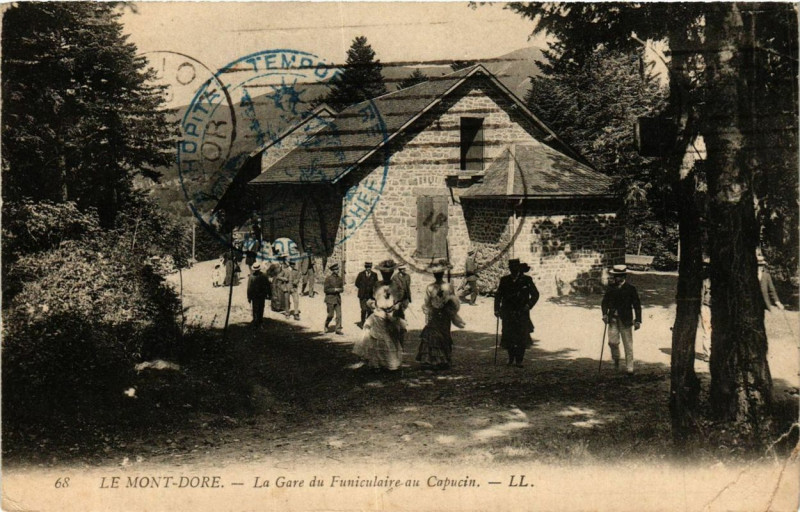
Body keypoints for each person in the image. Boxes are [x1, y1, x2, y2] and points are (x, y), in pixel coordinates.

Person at [353, 259, 407, 371]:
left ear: (392, 273)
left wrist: (396, 307)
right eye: (384, 273)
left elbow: (401, 299)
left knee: (390, 338)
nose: (386, 275)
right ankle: (377, 363)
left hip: (391, 314)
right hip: (378, 314)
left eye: (389, 273)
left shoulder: (396, 285)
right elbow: (371, 298)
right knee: (377, 339)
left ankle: (390, 363)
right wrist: (373, 305)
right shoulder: (377, 285)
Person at [416, 259, 464, 369]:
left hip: (444, 314)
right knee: (433, 334)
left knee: (444, 335)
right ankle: (434, 360)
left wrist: (451, 309)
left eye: (439, 274)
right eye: (435, 274)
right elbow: (427, 302)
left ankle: (444, 359)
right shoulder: (430, 287)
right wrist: (428, 311)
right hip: (434, 314)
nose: (437, 276)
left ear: (442, 274)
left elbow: (453, 300)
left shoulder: (448, 286)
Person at [494, 259, 540, 367]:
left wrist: (529, 305)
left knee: (522, 336)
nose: (513, 270)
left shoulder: (526, 280)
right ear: (509, 269)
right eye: (511, 268)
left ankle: (519, 360)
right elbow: (498, 295)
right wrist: (496, 309)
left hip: (521, 312)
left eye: (515, 268)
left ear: (519, 268)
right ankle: (511, 359)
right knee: (508, 335)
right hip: (507, 312)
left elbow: (535, 294)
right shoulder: (504, 280)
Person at [601, 264, 642, 375]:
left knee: (628, 344)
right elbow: (604, 302)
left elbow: (637, 305)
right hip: (613, 320)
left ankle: (630, 367)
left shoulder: (631, 289)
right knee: (612, 342)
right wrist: (604, 314)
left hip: (626, 320)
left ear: (624, 276)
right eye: (615, 276)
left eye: (618, 276)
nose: (616, 278)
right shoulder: (611, 288)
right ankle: (616, 360)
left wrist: (638, 320)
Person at [355, 262, 379, 328]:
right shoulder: (361, 274)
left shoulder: (374, 275)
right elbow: (357, 283)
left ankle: (368, 323)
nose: (368, 269)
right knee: (363, 310)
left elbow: (376, 284)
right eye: (367, 267)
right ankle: (363, 323)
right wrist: (362, 288)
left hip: (370, 296)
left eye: (369, 267)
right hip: (362, 295)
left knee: (370, 310)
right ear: (365, 268)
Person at [247, 263, 271, 327]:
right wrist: (269, 294)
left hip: (258, 295)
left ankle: (258, 320)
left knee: (258, 307)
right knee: (259, 307)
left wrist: (249, 297)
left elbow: (249, 288)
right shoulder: (262, 275)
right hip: (259, 295)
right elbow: (268, 285)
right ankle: (258, 320)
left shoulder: (252, 276)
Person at [323, 263, 344, 335]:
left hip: (337, 299)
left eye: (338, 269)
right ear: (332, 270)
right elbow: (325, 290)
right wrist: (334, 290)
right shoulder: (328, 279)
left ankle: (338, 329)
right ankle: (326, 324)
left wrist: (339, 290)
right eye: (335, 269)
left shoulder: (340, 278)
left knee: (339, 315)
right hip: (330, 299)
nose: (337, 270)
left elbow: (342, 289)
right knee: (330, 315)